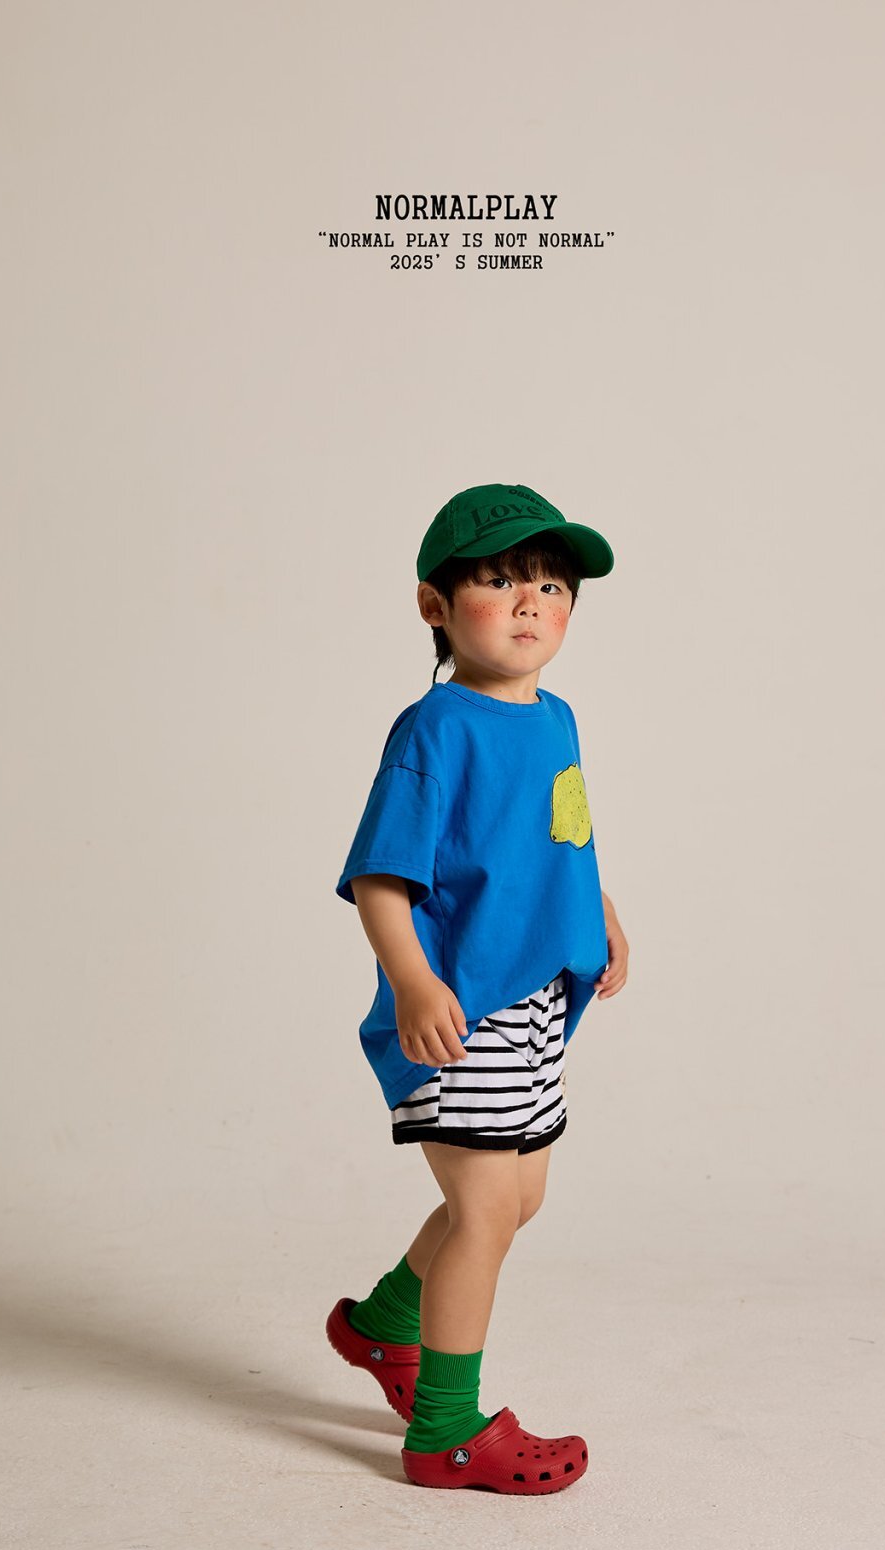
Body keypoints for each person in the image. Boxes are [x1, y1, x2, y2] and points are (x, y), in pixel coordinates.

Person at [328, 482, 630, 1494]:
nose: (530, 601)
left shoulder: (556, 720)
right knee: (486, 1210)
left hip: (536, 997)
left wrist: (600, 915)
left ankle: (384, 1324)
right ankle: (447, 1430)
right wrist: (411, 980)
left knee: (517, 1197)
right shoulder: (436, 729)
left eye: (551, 585)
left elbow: (563, 838)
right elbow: (381, 876)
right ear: (436, 605)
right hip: (462, 1006)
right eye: (499, 581)